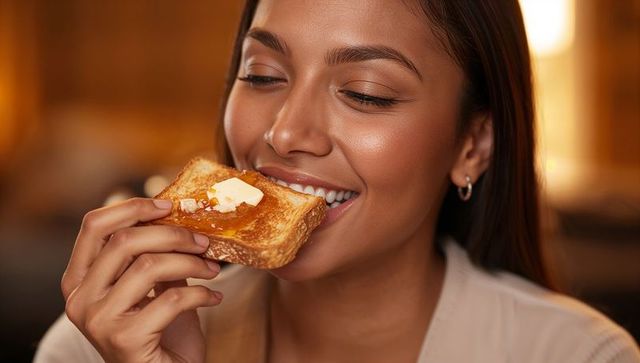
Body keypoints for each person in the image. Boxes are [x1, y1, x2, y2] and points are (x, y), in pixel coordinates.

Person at [35, 1, 639, 362]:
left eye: (364, 93)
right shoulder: (102, 339)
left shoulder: (580, 356)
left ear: (472, 146)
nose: (286, 131)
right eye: (263, 75)